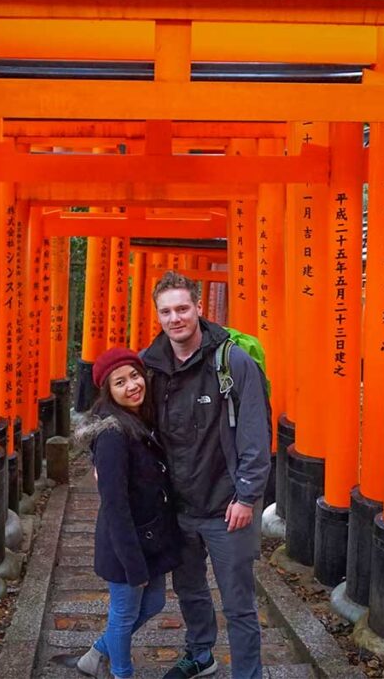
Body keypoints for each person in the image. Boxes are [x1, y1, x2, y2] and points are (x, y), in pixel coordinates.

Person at [141, 271, 271, 679]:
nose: (175, 318)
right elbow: (129, 420)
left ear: (199, 307)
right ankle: (200, 653)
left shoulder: (232, 361)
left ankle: (247, 673)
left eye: (182, 308)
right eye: (166, 311)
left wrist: (247, 496)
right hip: (178, 506)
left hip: (226, 504)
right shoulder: (150, 364)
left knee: (238, 602)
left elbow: (254, 431)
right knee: (191, 589)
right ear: (158, 315)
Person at [74, 347, 182, 679]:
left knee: (154, 604)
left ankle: (96, 654)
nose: (132, 385)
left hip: (151, 536)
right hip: (126, 543)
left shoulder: (139, 418)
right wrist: (133, 563)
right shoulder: (112, 434)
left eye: (135, 376)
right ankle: (121, 673)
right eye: (120, 382)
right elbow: (115, 506)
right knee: (123, 614)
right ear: (108, 391)